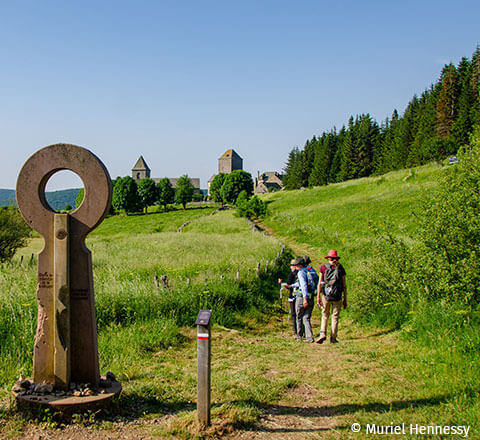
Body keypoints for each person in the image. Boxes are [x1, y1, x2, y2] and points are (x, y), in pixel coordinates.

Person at [316, 250, 347, 344]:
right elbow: (344, 285)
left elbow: (319, 283)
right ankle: (333, 337)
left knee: (325, 315)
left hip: (326, 295)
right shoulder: (340, 268)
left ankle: (322, 334)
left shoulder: (323, 268)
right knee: (335, 316)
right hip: (337, 295)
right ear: (337, 258)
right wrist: (345, 299)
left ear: (328, 258)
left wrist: (318, 296)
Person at [291, 257, 315, 343]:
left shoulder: (301, 273)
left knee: (299, 316)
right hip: (311, 297)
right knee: (306, 318)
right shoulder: (310, 271)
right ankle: (309, 337)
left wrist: (304, 299)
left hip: (302, 297)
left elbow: (303, 285)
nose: (295, 267)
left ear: (300, 265)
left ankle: (299, 335)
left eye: (296, 265)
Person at [279, 259, 300, 337]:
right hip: (300, 296)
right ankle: (301, 331)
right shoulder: (301, 273)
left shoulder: (292, 274)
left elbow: (288, 285)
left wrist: (281, 283)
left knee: (294, 314)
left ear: (294, 266)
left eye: (291, 265)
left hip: (293, 296)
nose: (290, 267)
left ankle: (295, 331)